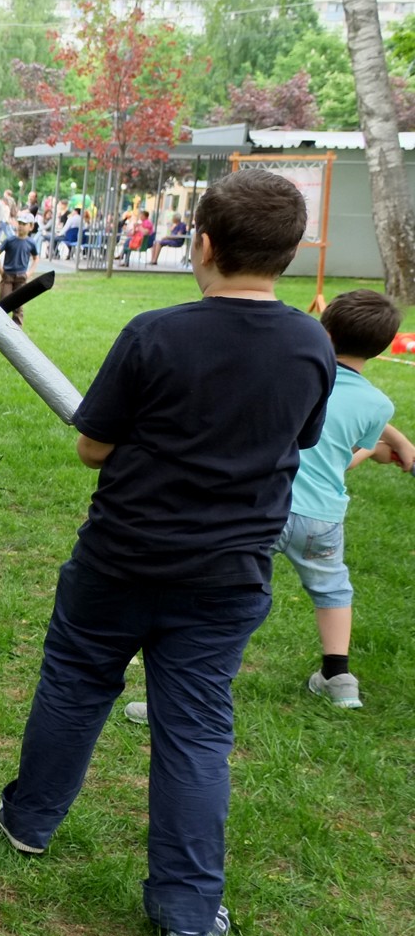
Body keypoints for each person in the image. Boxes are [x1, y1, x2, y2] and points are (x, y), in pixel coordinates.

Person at [0, 170, 336, 936]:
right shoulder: (311, 343)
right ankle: (185, 914)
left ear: (203, 244)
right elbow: (301, 438)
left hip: (122, 558)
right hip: (226, 574)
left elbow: (91, 446)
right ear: (287, 256)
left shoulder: (156, 334)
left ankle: (30, 823)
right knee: (195, 730)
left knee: (77, 685)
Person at [126, 291, 411, 721]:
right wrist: (380, 450)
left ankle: (179, 689)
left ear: (324, 331)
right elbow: (343, 458)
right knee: (332, 589)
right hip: (321, 520)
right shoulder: (377, 404)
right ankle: (339, 678)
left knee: (218, 593)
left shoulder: (298, 374)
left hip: (261, 507)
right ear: (386, 345)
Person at [0, 214, 40, 325]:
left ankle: (17, 329)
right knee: (3, 302)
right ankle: (0, 326)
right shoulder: (10, 240)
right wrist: (1, 270)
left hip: (21, 277)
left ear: (31, 226)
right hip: (8, 276)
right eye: (19, 223)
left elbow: (36, 258)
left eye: (24, 224)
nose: (21, 226)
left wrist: (29, 273)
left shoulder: (31, 243)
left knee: (19, 305)